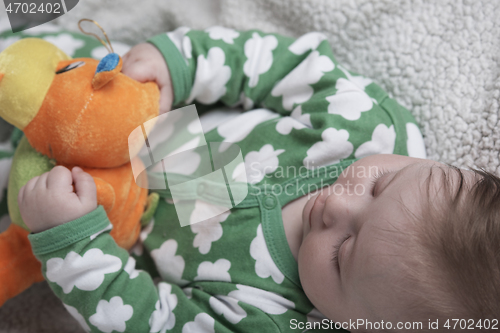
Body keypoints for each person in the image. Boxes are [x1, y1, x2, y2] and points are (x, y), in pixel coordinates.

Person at [17, 27, 500, 332]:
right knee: (40, 65)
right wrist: (183, 65)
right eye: (379, 187)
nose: (337, 207)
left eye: (343, 252)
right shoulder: (368, 130)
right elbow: (280, 66)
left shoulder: (268, 318)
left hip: (97, 218)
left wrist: (72, 243)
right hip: (142, 106)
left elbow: (150, 321)